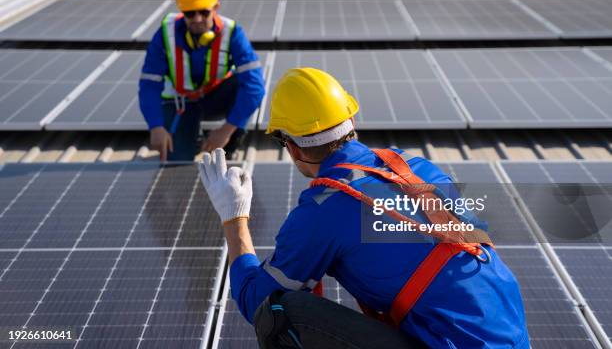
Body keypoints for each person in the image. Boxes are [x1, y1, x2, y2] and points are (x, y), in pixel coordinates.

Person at [198, 68, 529, 348]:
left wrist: (234, 216)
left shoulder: (323, 208)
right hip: (511, 332)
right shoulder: (415, 166)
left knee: (282, 311)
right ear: (351, 119)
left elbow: (256, 299)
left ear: (293, 148)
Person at [139, 0, 265, 161]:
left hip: (216, 97)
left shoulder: (232, 33)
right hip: (181, 102)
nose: (197, 19)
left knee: (246, 84)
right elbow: (149, 84)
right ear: (182, 11)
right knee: (177, 159)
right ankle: (191, 137)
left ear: (216, 7)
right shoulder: (166, 34)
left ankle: (227, 144)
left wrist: (226, 130)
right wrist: (156, 126)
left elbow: (255, 87)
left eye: (204, 12)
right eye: (190, 13)